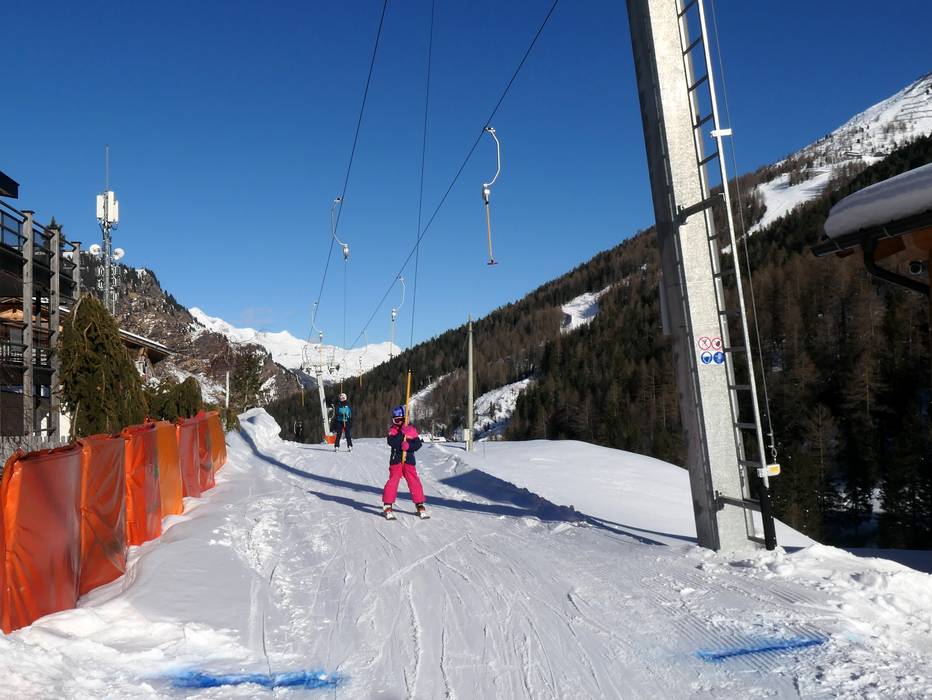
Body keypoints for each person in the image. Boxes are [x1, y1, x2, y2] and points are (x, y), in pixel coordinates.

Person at [382, 405, 428, 519]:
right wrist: (401, 434)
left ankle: (420, 504)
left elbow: (418, 444)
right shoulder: (393, 430)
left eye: (402, 420)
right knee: (393, 481)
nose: (399, 423)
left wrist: (409, 446)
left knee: (414, 481)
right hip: (396, 460)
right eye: (397, 420)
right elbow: (391, 442)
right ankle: (387, 504)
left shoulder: (411, 430)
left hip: (409, 460)